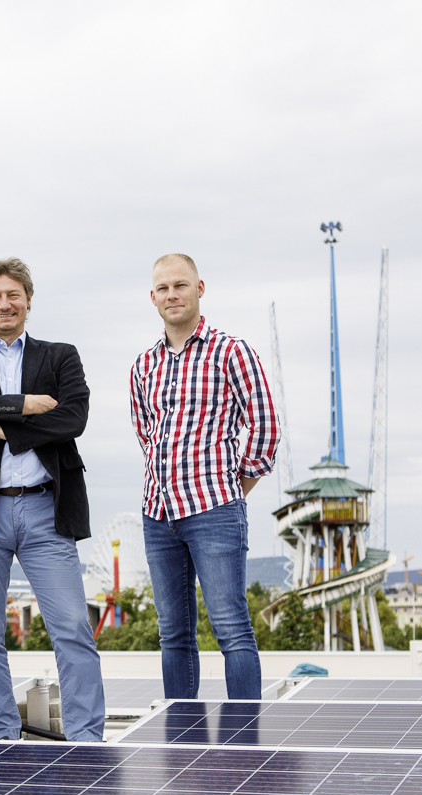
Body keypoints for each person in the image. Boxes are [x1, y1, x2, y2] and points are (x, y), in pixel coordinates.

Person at [0, 257, 105, 742]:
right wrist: (25, 406)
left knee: (72, 628)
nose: (4, 304)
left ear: (28, 300)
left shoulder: (61, 356)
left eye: (13, 295)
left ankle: (86, 739)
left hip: (46, 509)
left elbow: (73, 419)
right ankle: (3, 738)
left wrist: (4, 428)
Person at [129, 253, 279, 700]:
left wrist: (235, 487)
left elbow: (265, 425)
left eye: (180, 285)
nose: (172, 295)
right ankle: (181, 739)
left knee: (231, 628)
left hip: (214, 509)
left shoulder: (231, 351)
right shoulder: (143, 365)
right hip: (158, 515)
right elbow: (147, 435)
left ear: (200, 288)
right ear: (152, 297)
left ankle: (244, 739)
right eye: (163, 288)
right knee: (173, 633)